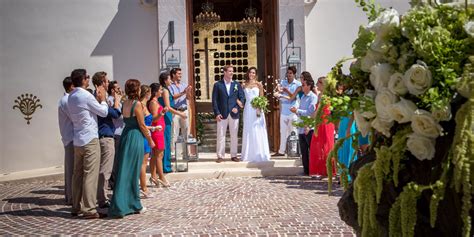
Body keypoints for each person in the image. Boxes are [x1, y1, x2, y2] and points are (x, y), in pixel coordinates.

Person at [108, 79, 155, 218]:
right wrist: (150, 140)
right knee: (133, 171)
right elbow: (141, 125)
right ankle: (135, 204)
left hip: (125, 135)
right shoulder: (137, 104)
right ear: (137, 90)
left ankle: (123, 202)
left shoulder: (124, 103)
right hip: (135, 137)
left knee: (124, 170)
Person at [67, 69, 108, 219]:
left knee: (77, 175)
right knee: (90, 174)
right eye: (87, 77)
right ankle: (90, 209)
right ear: (83, 80)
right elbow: (103, 112)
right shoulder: (86, 95)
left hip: (77, 138)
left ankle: (76, 206)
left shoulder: (71, 96)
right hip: (90, 138)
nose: (89, 79)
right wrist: (102, 99)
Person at [91, 71, 122, 208]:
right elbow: (115, 114)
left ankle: (99, 196)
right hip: (105, 134)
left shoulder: (96, 97)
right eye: (107, 81)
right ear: (102, 83)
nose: (108, 83)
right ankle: (102, 199)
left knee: (102, 169)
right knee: (105, 170)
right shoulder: (99, 98)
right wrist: (116, 101)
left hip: (101, 135)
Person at [212, 65, 245, 163]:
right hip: (222, 114)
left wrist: (237, 108)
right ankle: (220, 156)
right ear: (225, 72)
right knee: (221, 135)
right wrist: (217, 113)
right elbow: (214, 100)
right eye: (230, 71)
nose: (231, 73)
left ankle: (234, 155)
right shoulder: (218, 85)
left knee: (234, 135)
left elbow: (242, 98)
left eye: (232, 71)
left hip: (234, 114)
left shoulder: (236, 84)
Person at [158, 72, 187, 172]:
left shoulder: (165, 90)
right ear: (165, 80)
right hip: (166, 118)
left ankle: (165, 165)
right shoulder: (165, 91)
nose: (171, 81)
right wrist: (180, 113)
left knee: (166, 140)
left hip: (167, 117)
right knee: (166, 141)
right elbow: (168, 107)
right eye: (169, 79)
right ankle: (165, 166)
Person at [240, 67, 270, 162]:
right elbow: (238, 96)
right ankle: (248, 155)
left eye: (253, 73)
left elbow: (262, 98)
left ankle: (260, 154)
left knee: (257, 129)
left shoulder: (259, 84)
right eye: (250, 72)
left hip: (257, 109)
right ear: (248, 73)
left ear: (255, 74)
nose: (251, 74)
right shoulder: (244, 85)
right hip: (248, 109)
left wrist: (259, 108)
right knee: (248, 130)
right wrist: (239, 102)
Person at [309, 77, 336, 178]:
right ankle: (322, 170)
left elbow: (319, 110)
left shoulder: (325, 96)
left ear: (322, 84)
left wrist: (311, 116)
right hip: (321, 122)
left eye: (318, 83)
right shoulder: (320, 95)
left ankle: (328, 170)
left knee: (326, 145)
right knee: (320, 145)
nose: (316, 85)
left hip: (326, 122)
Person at [290, 76, 317, 175]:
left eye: (303, 85)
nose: (302, 87)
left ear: (309, 86)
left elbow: (310, 112)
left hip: (309, 127)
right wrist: (296, 110)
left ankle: (312, 170)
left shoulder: (313, 97)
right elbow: (301, 111)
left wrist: (297, 111)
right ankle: (306, 171)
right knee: (304, 152)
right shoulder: (303, 97)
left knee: (311, 151)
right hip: (301, 127)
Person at [273, 66, 301, 157]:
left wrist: (286, 90)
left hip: (292, 110)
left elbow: (294, 98)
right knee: (283, 131)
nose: (288, 75)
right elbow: (278, 92)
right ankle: (281, 151)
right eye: (288, 73)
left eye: (290, 73)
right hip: (284, 110)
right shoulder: (283, 82)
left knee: (293, 131)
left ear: (294, 74)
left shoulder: (297, 84)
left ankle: (293, 151)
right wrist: (277, 93)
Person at [148, 82, 169, 187]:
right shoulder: (154, 103)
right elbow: (154, 118)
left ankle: (153, 176)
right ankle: (161, 177)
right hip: (157, 131)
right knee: (159, 155)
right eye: (160, 90)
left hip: (159, 131)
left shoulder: (155, 102)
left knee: (155, 155)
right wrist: (162, 113)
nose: (162, 91)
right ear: (155, 92)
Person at [58, 76, 74, 205]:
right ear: (72, 87)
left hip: (70, 137)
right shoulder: (67, 100)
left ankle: (70, 196)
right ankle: (71, 197)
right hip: (71, 138)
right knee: (71, 169)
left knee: (72, 168)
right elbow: (75, 117)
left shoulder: (66, 99)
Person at [169, 68, 192, 151]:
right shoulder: (169, 86)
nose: (180, 75)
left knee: (186, 132)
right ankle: (172, 153)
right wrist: (183, 92)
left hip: (184, 110)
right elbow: (173, 97)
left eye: (180, 74)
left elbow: (188, 98)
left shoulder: (184, 85)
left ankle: (186, 153)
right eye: (178, 74)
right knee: (174, 133)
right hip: (175, 111)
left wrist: (188, 92)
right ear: (173, 75)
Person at [107, 80, 124, 190]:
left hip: (121, 131)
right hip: (115, 132)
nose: (120, 90)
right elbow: (116, 115)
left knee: (119, 159)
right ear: (112, 90)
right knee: (115, 160)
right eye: (117, 88)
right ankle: (113, 183)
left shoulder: (117, 100)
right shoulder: (110, 100)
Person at [138, 85, 154, 198]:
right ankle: (143, 188)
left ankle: (144, 187)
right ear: (147, 93)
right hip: (144, 136)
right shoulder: (142, 106)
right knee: (143, 164)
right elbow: (142, 125)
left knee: (144, 163)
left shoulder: (144, 105)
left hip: (147, 134)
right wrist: (152, 128)